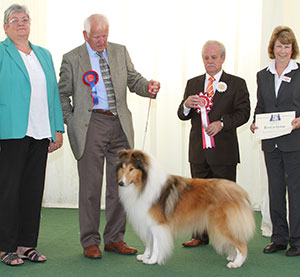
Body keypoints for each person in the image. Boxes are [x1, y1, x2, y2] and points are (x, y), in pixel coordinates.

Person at [58, 14, 160, 259]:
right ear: (85, 35)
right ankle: (90, 241)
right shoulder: (72, 58)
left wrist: (148, 86)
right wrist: (71, 122)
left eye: (105, 35)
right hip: (90, 123)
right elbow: (62, 95)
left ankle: (115, 239)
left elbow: (133, 79)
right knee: (91, 186)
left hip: (120, 124)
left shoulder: (120, 51)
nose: (102, 41)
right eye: (97, 36)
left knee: (121, 185)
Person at [0, 4, 64, 266]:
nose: (20, 23)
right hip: (11, 132)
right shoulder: (2, 53)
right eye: (14, 20)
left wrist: (57, 128)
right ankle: (5, 247)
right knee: (8, 191)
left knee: (32, 191)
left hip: (40, 133)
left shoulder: (44, 55)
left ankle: (27, 245)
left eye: (24, 19)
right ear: (6, 27)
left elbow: (53, 94)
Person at [177, 40, 250, 247]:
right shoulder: (193, 83)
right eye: (206, 58)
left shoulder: (237, 83)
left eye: (213, 57)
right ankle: (199, 236)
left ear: (223, 58)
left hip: (224, 152)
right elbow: (182, 115)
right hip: (198, 151)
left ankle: (229, 235)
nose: (209, 61)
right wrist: (185, 105)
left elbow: (244, 113)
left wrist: (222, 123)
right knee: (197, 198)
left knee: (225, 199)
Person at [250, 26, 300, 257]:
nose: (283, 51)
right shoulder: (263, 74)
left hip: (294, 142)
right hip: (271, 142)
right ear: (273, 48)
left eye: (287, 46)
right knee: (275, 190)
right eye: (279, 46)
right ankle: (279, 237)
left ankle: (297, 240)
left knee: (296, 191)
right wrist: (254, 122)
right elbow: (261, 106)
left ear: (293, 49)